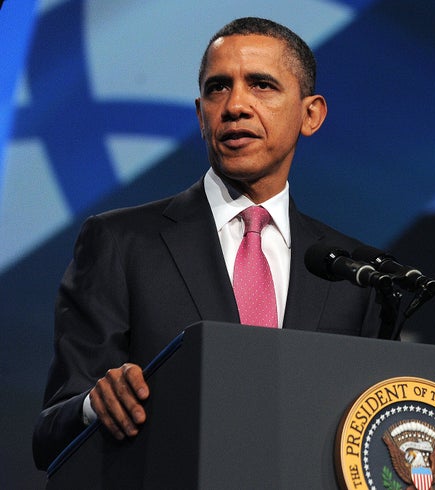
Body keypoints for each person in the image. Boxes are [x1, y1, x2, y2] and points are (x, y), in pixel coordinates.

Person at [32, 17, 384, 471]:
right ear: (201, 116)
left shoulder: (355, 272)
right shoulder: (120, 243)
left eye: (261, 85)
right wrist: (93, 405)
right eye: (218, 88)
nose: (235, 105)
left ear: (310, 114)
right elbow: (49, 434)